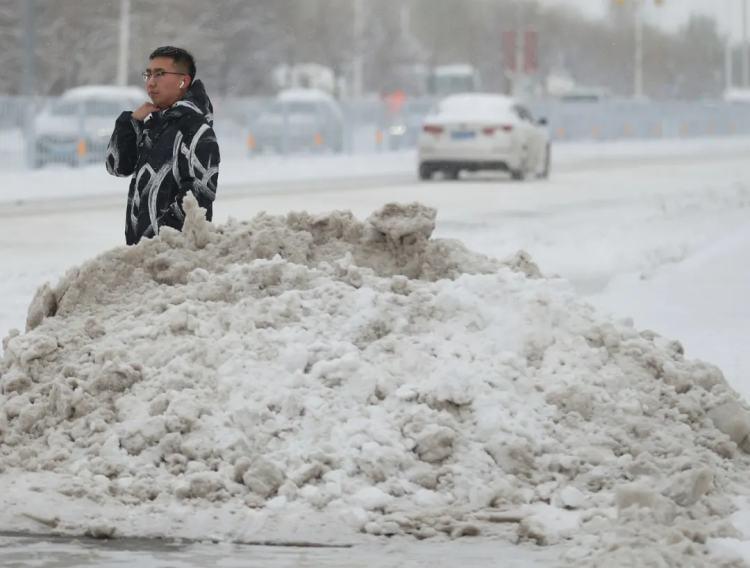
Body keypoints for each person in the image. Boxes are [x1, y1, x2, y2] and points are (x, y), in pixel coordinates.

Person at [105, 46, 219, 245]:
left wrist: (155, 244)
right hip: (144, 255)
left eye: (160, 74)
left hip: (173, 258)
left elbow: (196, 202)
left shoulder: (195, 129)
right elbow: (117, 167)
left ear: (184, 81)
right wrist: (129, 124)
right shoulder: (156, 125)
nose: (151, 82)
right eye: (148, 74)